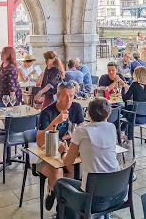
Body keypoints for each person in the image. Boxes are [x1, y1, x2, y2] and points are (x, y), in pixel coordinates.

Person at [54, 97, 121, 216]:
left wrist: (63, 151)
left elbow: (68, 162)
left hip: (95, 199)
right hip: (118, 192)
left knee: (60, 184)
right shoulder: (112, 127)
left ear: (88, 114)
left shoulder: (81, 131)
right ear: (108, 114)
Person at [36, 82, 85, 210]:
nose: (69, 100)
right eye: (65, 96)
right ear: (57, 95)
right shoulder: (47, 112)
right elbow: (40, 142)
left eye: (72, 96)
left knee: (76, 170)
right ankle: (57, 197)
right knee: (58, 171)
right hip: (47, 155)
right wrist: (55, 122)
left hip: (67, 151)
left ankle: (63, 202)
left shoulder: (76, 107)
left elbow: (83, 131)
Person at [121, 66, 146, 140]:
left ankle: (123, 132)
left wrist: (123, 87)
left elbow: (125, 98)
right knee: (130, 109)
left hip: (137, 118)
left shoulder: (135, 85)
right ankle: (126, 133)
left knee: (122, 110)